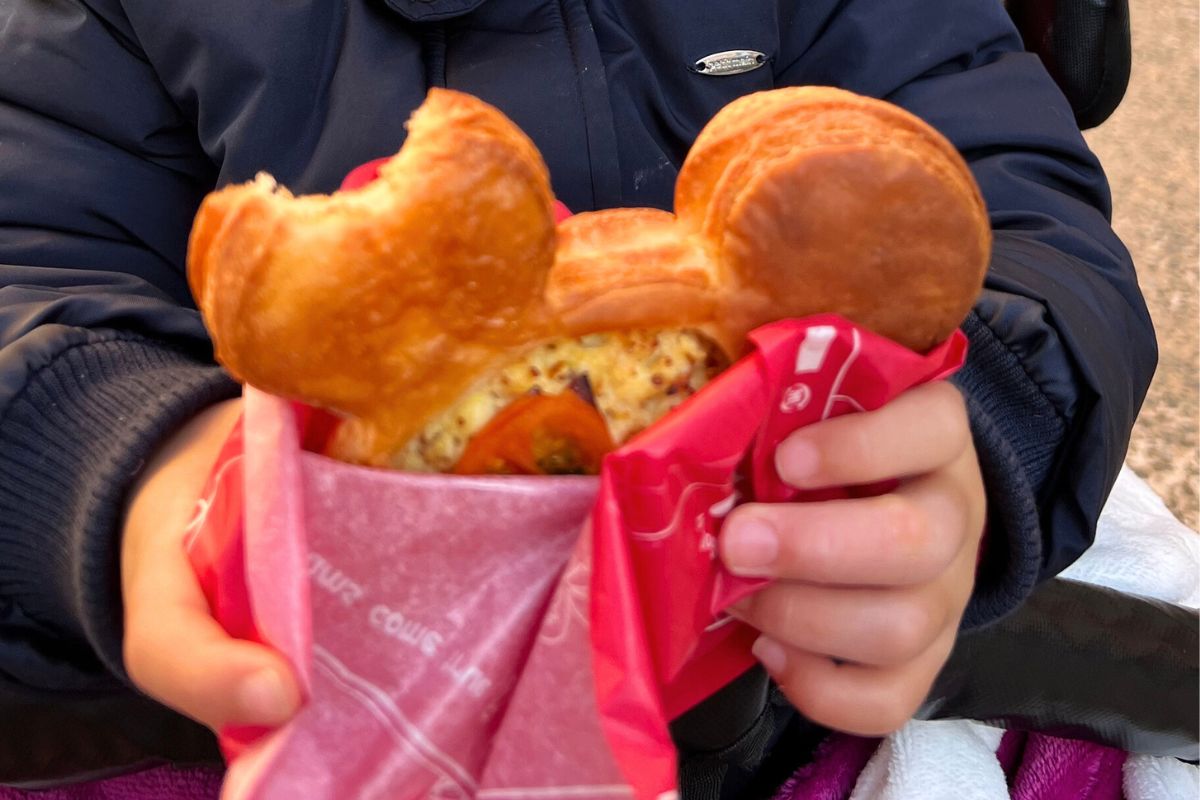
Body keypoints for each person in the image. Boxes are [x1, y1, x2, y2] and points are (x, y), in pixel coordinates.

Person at [0, 0, 1156, 798]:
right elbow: (31, 254)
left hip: (789, 642)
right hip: (319, 645)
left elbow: (1029, 227)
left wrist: (974, 439)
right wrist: (132, 469)